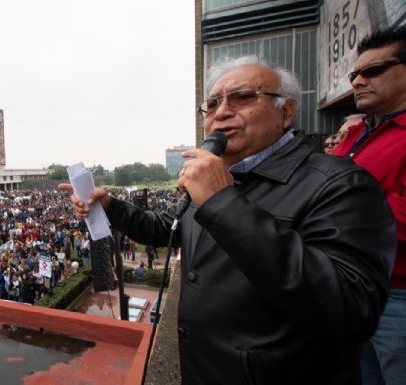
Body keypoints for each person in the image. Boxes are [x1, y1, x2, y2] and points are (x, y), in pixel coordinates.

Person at [60, 55, 396, 385]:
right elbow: (168, 227)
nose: (222, 111)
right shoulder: (219, 178)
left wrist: (223, 203)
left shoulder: (341, 184)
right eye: (212, 104)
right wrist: (112, 207)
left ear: (286, 111)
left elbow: (352, 309)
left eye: (243, 97)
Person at [333, 24, 406, 385]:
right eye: (355, 73)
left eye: (373, 71)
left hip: (398, 296)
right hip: (352, 289)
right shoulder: (358, 135)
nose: (358, 81)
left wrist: (337, 212)